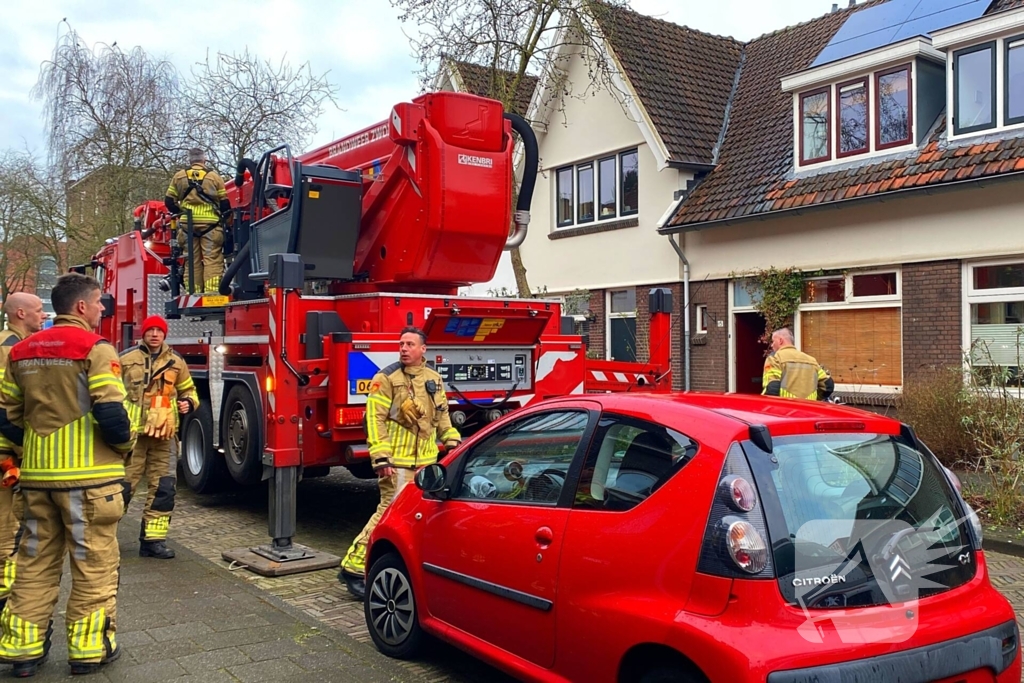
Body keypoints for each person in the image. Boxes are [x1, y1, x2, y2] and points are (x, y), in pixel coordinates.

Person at [0, 274, 135, 676]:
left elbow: (6, 416)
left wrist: (35, 448)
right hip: (90, 483)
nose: (101, 311)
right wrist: (125, 449)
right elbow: (111, 414)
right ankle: (88, 651)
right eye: (98, 304)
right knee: (92, 565)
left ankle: (22, 650)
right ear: (81, 307)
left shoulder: (20, 352)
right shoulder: (94, 349)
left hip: (37, 481)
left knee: (34, 564)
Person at [338, 327, 461, 600]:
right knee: (387, 514)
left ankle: (407, 565)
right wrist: (381, 457)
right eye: (401, 343)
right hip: (397, 465)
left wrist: (453, 444)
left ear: (423, 349)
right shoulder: (386, 378)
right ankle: (354, 568)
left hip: (426, 464)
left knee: (419, 517)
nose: (403, 348)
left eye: (409, 344)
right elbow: (374, 419)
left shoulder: (433, 379)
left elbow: (442, 417)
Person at [120, 316, 197, 560]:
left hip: (164, 436)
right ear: (143, 333)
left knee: (164, 489)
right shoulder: (125, 359)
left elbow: (189, 390)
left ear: (164, 334)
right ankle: (102, 538)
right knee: (121, 489)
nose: (154, 334)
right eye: (150, 330)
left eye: (159, 330)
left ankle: (153, 542)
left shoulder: (176, 362)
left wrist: (187, 403)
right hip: (132, 438)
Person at [0, 294, 46, 610]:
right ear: (21, 313)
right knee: (5, 532)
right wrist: (26, 444)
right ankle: (5, 597)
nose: (44, 315)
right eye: (39, 310)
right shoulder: (10, 349)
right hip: (5, 452)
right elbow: (5, 411)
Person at [165, 148, 231, 294]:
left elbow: (169, 201)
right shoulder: (214, 177)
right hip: (211, 225)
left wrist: (181, 213)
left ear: (190, 160)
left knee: (191, 261)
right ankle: (211, 292)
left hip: (187, 226)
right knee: (212, 259)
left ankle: (193, 293)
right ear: (204, 160)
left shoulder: (179, 176)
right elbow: (225, 204)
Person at [761, 327, 834, 401]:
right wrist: (814, 399)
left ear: (780, 341)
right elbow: (828, 386)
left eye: (773, 341)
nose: (771, 345)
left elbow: (772, 389)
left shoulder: (775, 358)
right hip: (808, 409)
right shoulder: (812, 361)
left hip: (786, 409)